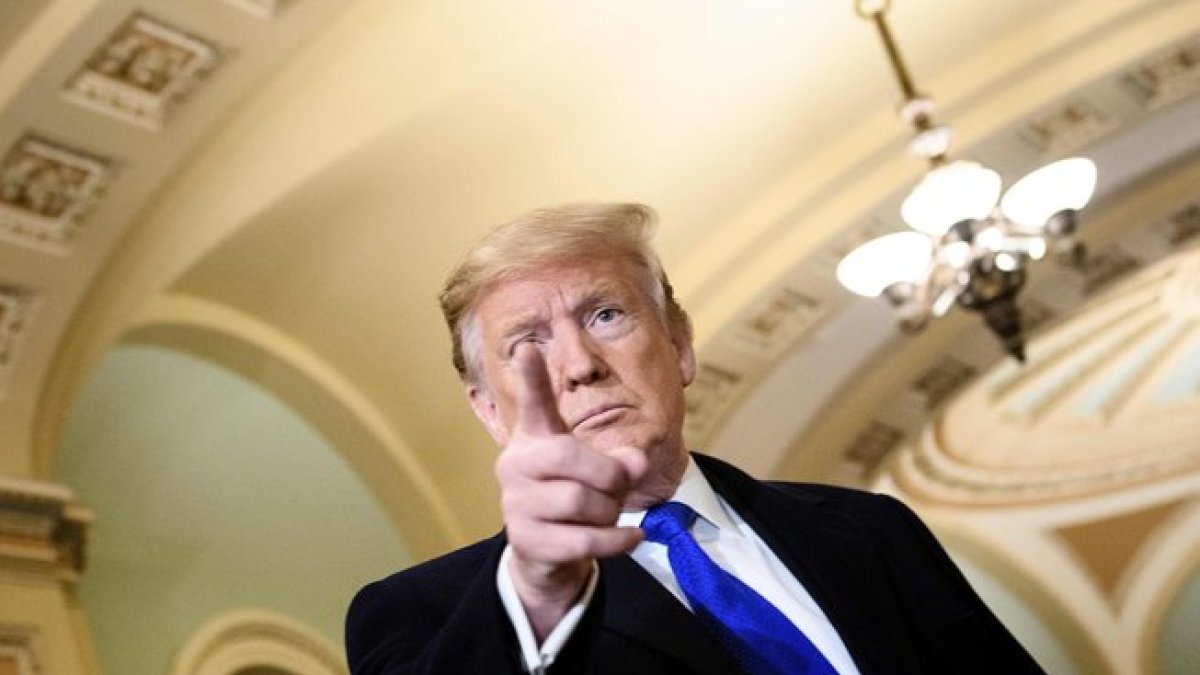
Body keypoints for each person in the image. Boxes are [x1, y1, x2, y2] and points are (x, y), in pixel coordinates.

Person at [345, 203, 1044, 674]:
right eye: (528, 343)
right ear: (490, 411)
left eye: (607, 314)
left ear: (678, 345)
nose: (581, 365)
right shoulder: (417, 615)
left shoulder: (872, 530)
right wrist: (536, 594)